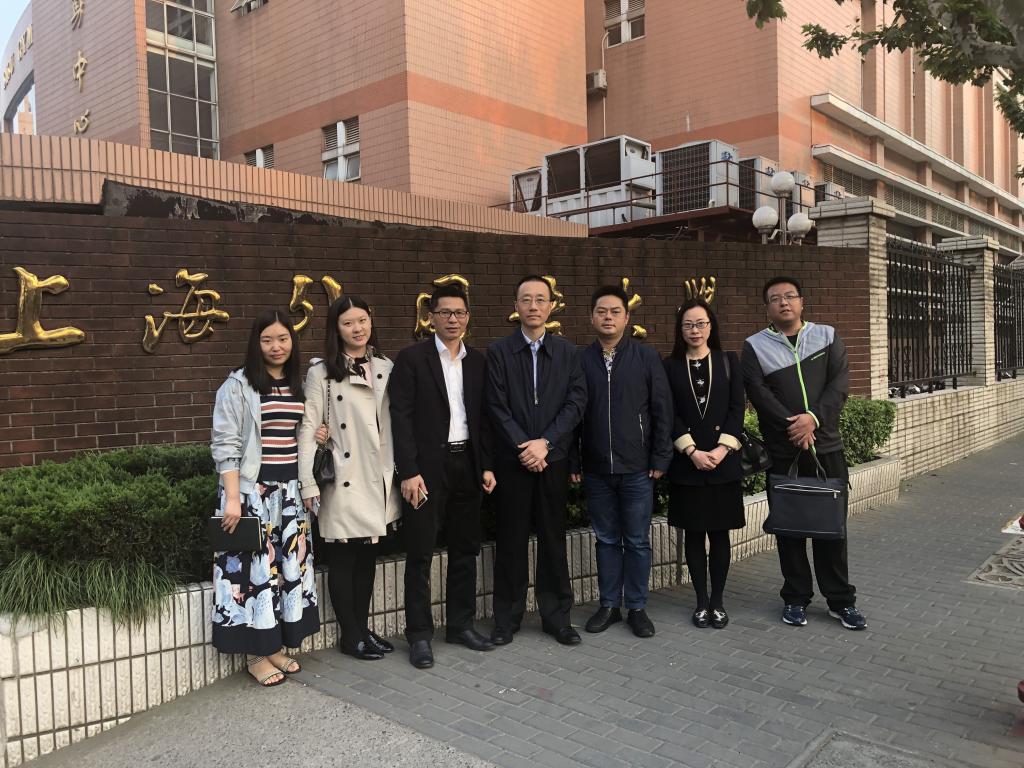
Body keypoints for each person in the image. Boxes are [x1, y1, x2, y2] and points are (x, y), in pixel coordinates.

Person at [741, 276, 866, 631]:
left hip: (826, 448)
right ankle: (795, 598)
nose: (783, 302)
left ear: (801, 302)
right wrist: (794, 427)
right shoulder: (754, 346)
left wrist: (812, 419)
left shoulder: (827, 336)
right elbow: (759, 394)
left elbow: (839, 384)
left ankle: (841, 601)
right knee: (790, 529)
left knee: (832, 529)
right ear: (767, 308)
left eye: (790, 296)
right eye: (775, 298)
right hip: (785, 452)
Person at [389, 283, 498, 669]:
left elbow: (484, 418)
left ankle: (460, 625)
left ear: (468, 317)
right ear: (431, 317)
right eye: (445, 313)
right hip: (426, 471)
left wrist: (486, 465)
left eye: (460, 313)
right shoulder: (412, 359)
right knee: (420, 553)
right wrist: (409, 471)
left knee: (465, 549)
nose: (453, 319)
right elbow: (400, 418)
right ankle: (419, 635)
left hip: (467, 464)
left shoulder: (478, 361)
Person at [210, 309, 320, 687]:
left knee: (286, 573)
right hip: (251, 493)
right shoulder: (238, 385)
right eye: (268, 340)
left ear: (293, 341)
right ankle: (255, 656)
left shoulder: (298, 384)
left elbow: (300, 435)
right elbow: (225, 445)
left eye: (283, 338)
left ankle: (273, 646)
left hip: (289, 493)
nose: (276, 346)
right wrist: (232, 499)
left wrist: (318, 434)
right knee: (253, 576)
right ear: (256, 344)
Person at [298, 296, 402, 660]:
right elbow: (309, 427)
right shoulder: (322, 372)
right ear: (336, 328)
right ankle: (350, 635)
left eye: (362, 320)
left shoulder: (385, 366)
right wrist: (308, 483)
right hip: (343, 476)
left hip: (377, 475)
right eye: (348, 323)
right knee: (344, 558)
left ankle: (362, 628)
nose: (357, 328)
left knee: (367, 555)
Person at [487, 275, 587, 646]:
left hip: (552, 460)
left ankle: (557, 617)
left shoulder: (568, 353)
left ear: (551, 306)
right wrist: (524, 447)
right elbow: (496, 405)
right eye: (526, 299)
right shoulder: (498, 352)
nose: (533, 306)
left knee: (553, 540)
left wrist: (544, 443)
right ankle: (506, 618)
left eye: (540, 299)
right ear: (516, 306)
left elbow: (575, 403)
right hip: (513, 462)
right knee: (510, 541)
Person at [571, 285, 672, 638]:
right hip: (597, 469)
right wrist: (574, 461)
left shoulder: (646, 357)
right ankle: (609, 605)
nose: (608, 317)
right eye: (601, 311)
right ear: (591, 317)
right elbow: (573, 414)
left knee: (638, 540)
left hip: (637, 469)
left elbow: (662, 410)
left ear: (627, 318)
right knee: (606, 540)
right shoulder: (581, 360)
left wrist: (660, 456)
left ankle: (637, 608)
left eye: (615, 311)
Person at [663, 298, 745, 629]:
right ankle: (700, 602)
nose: (694, 330)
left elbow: (737, 408)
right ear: (679, 329)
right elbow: (668, 413)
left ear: (711, 326)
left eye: (700, 323)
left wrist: (723, 449)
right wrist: (692, 451)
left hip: (723, 464)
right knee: (694, 536)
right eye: (688, 325)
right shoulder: (669, 366)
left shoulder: (728, 361)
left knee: (720, 535)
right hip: (688, 465)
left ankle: (718, 602)